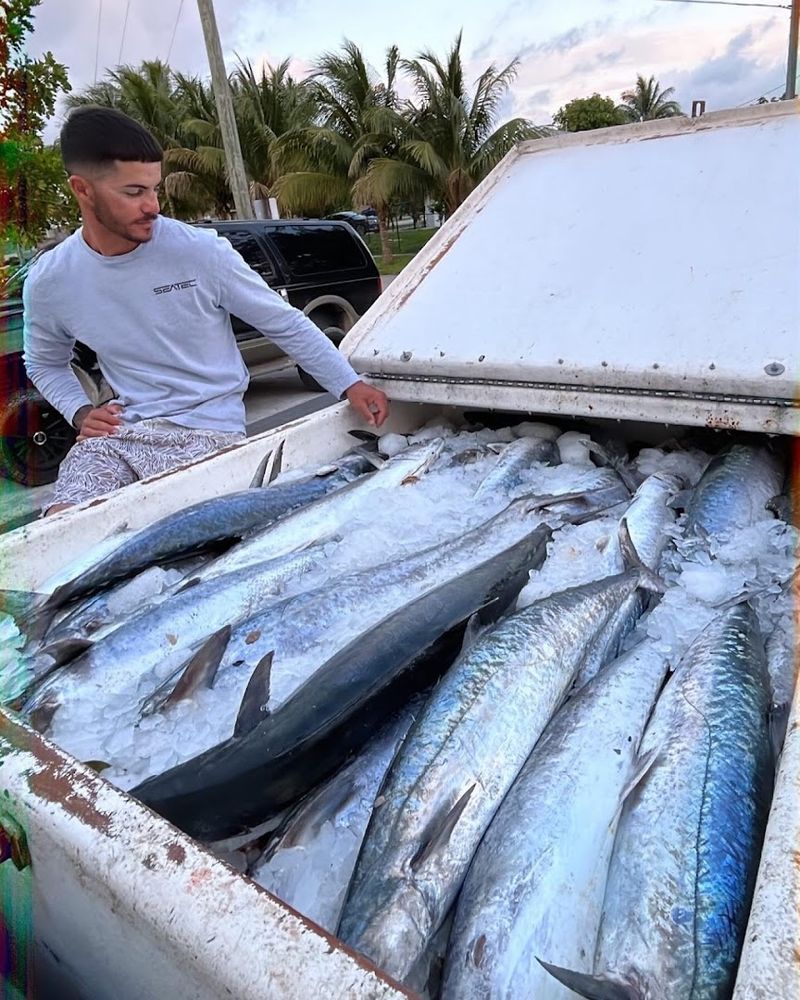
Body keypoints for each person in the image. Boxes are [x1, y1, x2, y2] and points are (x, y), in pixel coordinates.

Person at [23, 106, 389, 515]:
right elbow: (43, 363)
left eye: (154, 188)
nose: (153, 206)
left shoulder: (199, 252)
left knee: (188, 534)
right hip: (122, 433)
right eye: (133, 192)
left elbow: (283, 322)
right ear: (83, 190)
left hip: (209, 431)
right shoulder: (50, 280)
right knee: (63, 522)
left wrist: (349, 383)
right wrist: (80, 412)